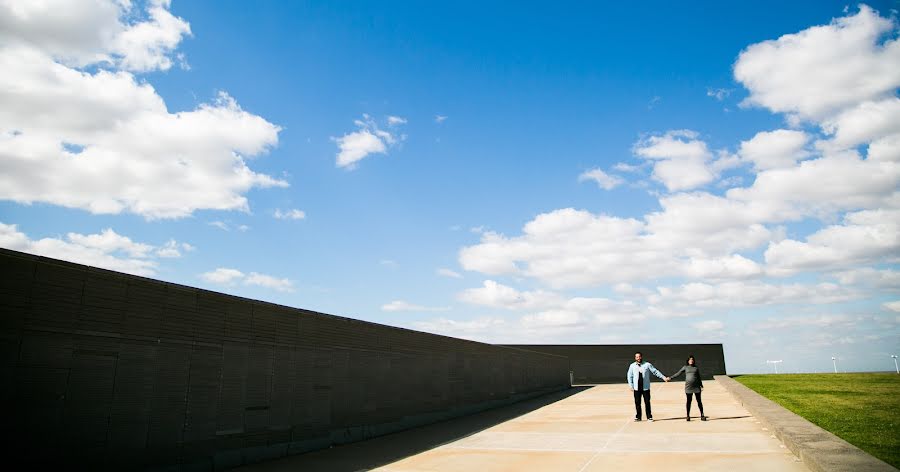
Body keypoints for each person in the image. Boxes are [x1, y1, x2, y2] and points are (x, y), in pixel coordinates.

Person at [626, 351, 669, 421]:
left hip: (645, 387)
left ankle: (649, 417)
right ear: (635, 358)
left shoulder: (647, 364)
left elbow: (655, 371)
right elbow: (629, 376)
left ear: (641, 357)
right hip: (636, 388)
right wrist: (631, 385)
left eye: (639, 356)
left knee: (647, 402)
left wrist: (663, 377)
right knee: (637, 403)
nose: (638, 358)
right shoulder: (632, 366)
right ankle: (638, 417)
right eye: (637, 357)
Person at [669, 355, 707, 421]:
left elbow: (698, 377)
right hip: (688, 387)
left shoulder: (696, 368)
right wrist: (670, 378)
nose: (691, 361)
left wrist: (701, 385)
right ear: (688, 361)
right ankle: (688, 416)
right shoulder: (685, 367)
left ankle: (702, 415)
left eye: (692, 359)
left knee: (699, 401)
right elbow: (678, 373)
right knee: (689, 401)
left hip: (696, 387)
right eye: (690, 359)